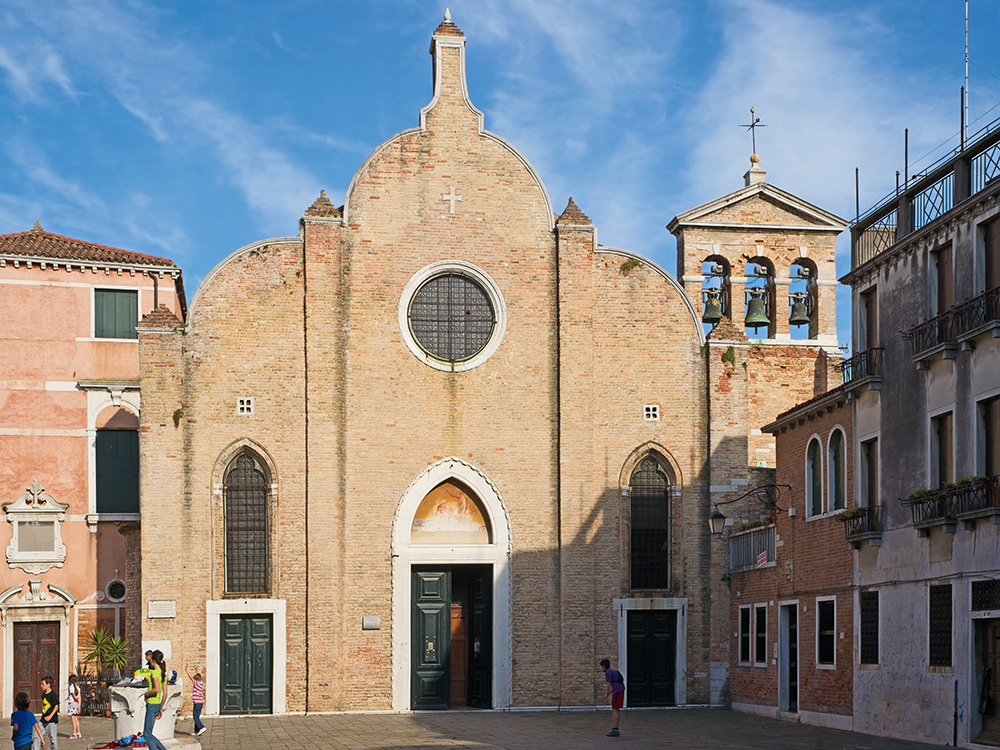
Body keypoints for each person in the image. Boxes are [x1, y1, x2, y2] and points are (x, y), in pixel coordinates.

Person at [141, 652, 167, 750]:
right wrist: (161, 707)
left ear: (154, 660)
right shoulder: (162, 673)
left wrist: (146, 694)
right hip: (157, 705)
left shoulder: (155, 673)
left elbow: (156, 689)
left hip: (151, 704)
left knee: (147, 734)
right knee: (148, 733)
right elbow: (165, 693)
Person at [600, 658, 625, 737]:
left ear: (603, 666)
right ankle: (615, 729)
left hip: (617, 691)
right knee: (615, 709)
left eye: (600, 666)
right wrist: (607, 695)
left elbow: (608, 685)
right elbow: (612, 686)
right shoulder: (611, 671)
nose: (600, 668)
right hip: (618, 690)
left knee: (615, 709)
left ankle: (615, 729)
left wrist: (607, 696)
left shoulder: (608, 672)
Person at [184, 667, 206, 736]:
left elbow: (191, 677)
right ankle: (196, 731)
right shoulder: (201, 683)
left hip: (197, 702)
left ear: (196, 679)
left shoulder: (196, 683)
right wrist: (197, 670)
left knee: (195, 717)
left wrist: (187, 671)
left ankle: (202, 727)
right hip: (200, 703)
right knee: (197, 716)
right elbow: (200, 676)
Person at [38, 677, 58, 750]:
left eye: (43, 684)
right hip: (43, 720)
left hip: (51, 720)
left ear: (48, 684)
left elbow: (56, 706)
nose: (41, 686)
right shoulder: (43, 695)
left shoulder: (53, 695)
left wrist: (50, 716)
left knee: (53, 740)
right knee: (37, 735)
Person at [66, 676, 80, 741]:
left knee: (73, 719)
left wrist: (75, 699)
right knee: (76, 719)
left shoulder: (71, 687)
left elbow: (73, 695)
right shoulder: (77, 687)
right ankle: (78, 732)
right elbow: (78, 696)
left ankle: (74, 733)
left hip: (72, 703)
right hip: (76, 704)